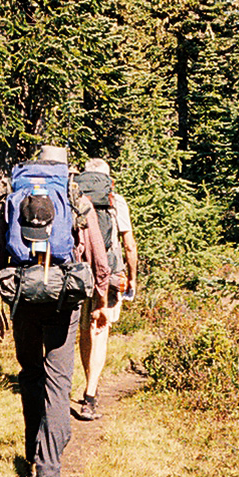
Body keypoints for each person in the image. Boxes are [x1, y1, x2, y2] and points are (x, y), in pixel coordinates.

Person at [0, 145, 109, 477]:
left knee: (30, 375)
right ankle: (49, 469)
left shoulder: (15, 197)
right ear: (65, 166)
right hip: (64, 299)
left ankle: (30, 452)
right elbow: (99, 260)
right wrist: (99, 303)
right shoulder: (75, 198)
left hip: (22, 298)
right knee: (59, 381)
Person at [72, 157, 138, 422]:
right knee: (100, 330)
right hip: (109, 273)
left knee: (84, 330)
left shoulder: (73, 197)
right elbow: (129, 246)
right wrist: (132, 278)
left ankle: (87, 385)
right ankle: (90, 394)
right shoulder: (115, 201)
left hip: (78, 273)